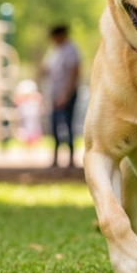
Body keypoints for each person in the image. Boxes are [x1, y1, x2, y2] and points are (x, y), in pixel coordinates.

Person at [42, 25, 80, 168]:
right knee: (54, 126)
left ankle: (70, 159)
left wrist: (65, 95)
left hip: (66, 95)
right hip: (54, 94)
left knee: (67, 126)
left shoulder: (71, 50)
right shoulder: (53, 51)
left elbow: (74, 73)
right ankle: (56, 158)